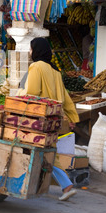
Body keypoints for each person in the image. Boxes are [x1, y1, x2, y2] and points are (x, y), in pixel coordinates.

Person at [16, 37, 80, 201]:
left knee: (40, 150)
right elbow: (65, 97)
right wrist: (72, 116)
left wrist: (18, 94)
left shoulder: (36, 67)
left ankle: (24, 183)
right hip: (54, 119)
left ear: (36, 51)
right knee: (49, 150)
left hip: (40, 118)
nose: (30, 52)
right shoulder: (55, 71)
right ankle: (64, 185)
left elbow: (32, 92)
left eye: (31, 49)